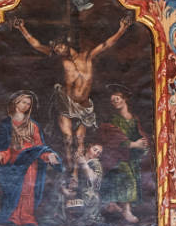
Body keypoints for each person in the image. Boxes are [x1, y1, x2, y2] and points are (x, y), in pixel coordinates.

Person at [11, 14, 137, 191]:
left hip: (85, 107)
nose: (58, 50)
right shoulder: (63, 61)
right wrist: (22, 28)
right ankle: (70, 175)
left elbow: (107, 44)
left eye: (60, 46)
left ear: (66, 44)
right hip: (66, 104)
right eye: (55, 49)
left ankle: (77, 175)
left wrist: (122, 28)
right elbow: (37, 45)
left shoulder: (87, 57)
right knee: (68, 140)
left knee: (80, 142)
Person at [0, 90, 61, 226]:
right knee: (14, 190)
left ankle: (27, 218)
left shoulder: (33, 125)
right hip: (13, 163)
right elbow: (4, 146)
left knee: (28, 190)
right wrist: (1, 155)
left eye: (29, 104)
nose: (26, 106)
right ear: (16, 103)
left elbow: (40, 147)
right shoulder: (6, 124)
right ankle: (13, 216)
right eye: (23, 102)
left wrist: (49, 155)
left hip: (30, 162)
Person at [96, 88, 150, 224]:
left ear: (124, 99)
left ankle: (113, 204)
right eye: (112, 101)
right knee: (127, 179)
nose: (115, 102)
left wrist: (143, 142)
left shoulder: (134, 119)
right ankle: (126, 210)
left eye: (117, 99)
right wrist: (132, 144)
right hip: (116, 155)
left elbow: (139, 134)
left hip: (131, 156)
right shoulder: (114, 120)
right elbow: (112, 137)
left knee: (128, 178)